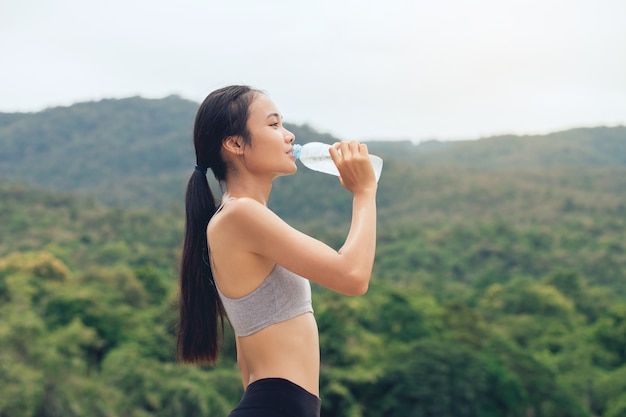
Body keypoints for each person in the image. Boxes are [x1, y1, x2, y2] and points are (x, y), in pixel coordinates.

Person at [177, 85, 377, 417]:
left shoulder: (236, 217)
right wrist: (365, 192)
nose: (289, 135)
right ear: (235, 143)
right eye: (273, 125)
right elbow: (352, 277)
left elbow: (246, 358)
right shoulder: (240, 214)